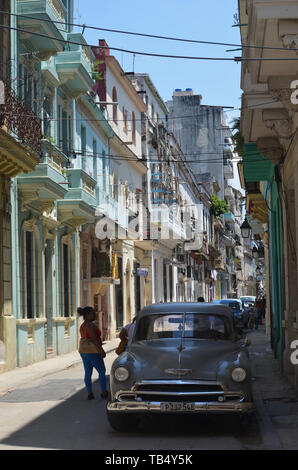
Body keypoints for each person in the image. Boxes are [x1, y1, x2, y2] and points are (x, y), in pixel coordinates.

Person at [78, 306, 108, 400]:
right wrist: (101, 350)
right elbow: (94, 339)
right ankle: (104, 392)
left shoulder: (82, 325)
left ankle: (89, 393)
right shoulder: (90, 325)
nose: (94, 314)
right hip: (93, 351)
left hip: (84, 351)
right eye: (92, 313)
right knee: (102, 371)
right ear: (87, 315)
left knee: (88, 372)